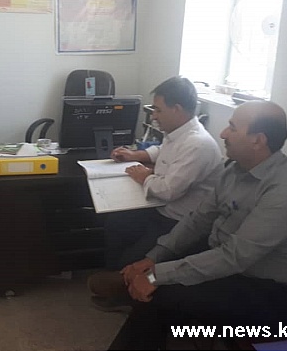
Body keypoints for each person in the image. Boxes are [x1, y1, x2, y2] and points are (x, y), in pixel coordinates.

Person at [92, 100, 287, 350]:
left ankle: (137, 302)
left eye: (232, 128)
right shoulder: (235, 170)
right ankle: (140, 299)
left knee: (159, 290)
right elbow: (198, 219)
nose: (223, 133)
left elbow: (233, 257)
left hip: (271, 296)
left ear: (258, 140)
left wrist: (156, 274)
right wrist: (154, 257)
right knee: (158, 273)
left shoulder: (285, 193)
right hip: (233, 267)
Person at [88, 76, 223, 310]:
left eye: (158, 110)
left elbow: (168, 190)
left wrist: (144, 176)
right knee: (115, 223)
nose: (154, 116)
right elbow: (162, 150)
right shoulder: (179, 133)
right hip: (158, 210)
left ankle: (123, 290)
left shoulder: (198, 144)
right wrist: (136, 156)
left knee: (130, 257)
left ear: (176, 109)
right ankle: (116, 279)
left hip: (179, 222)